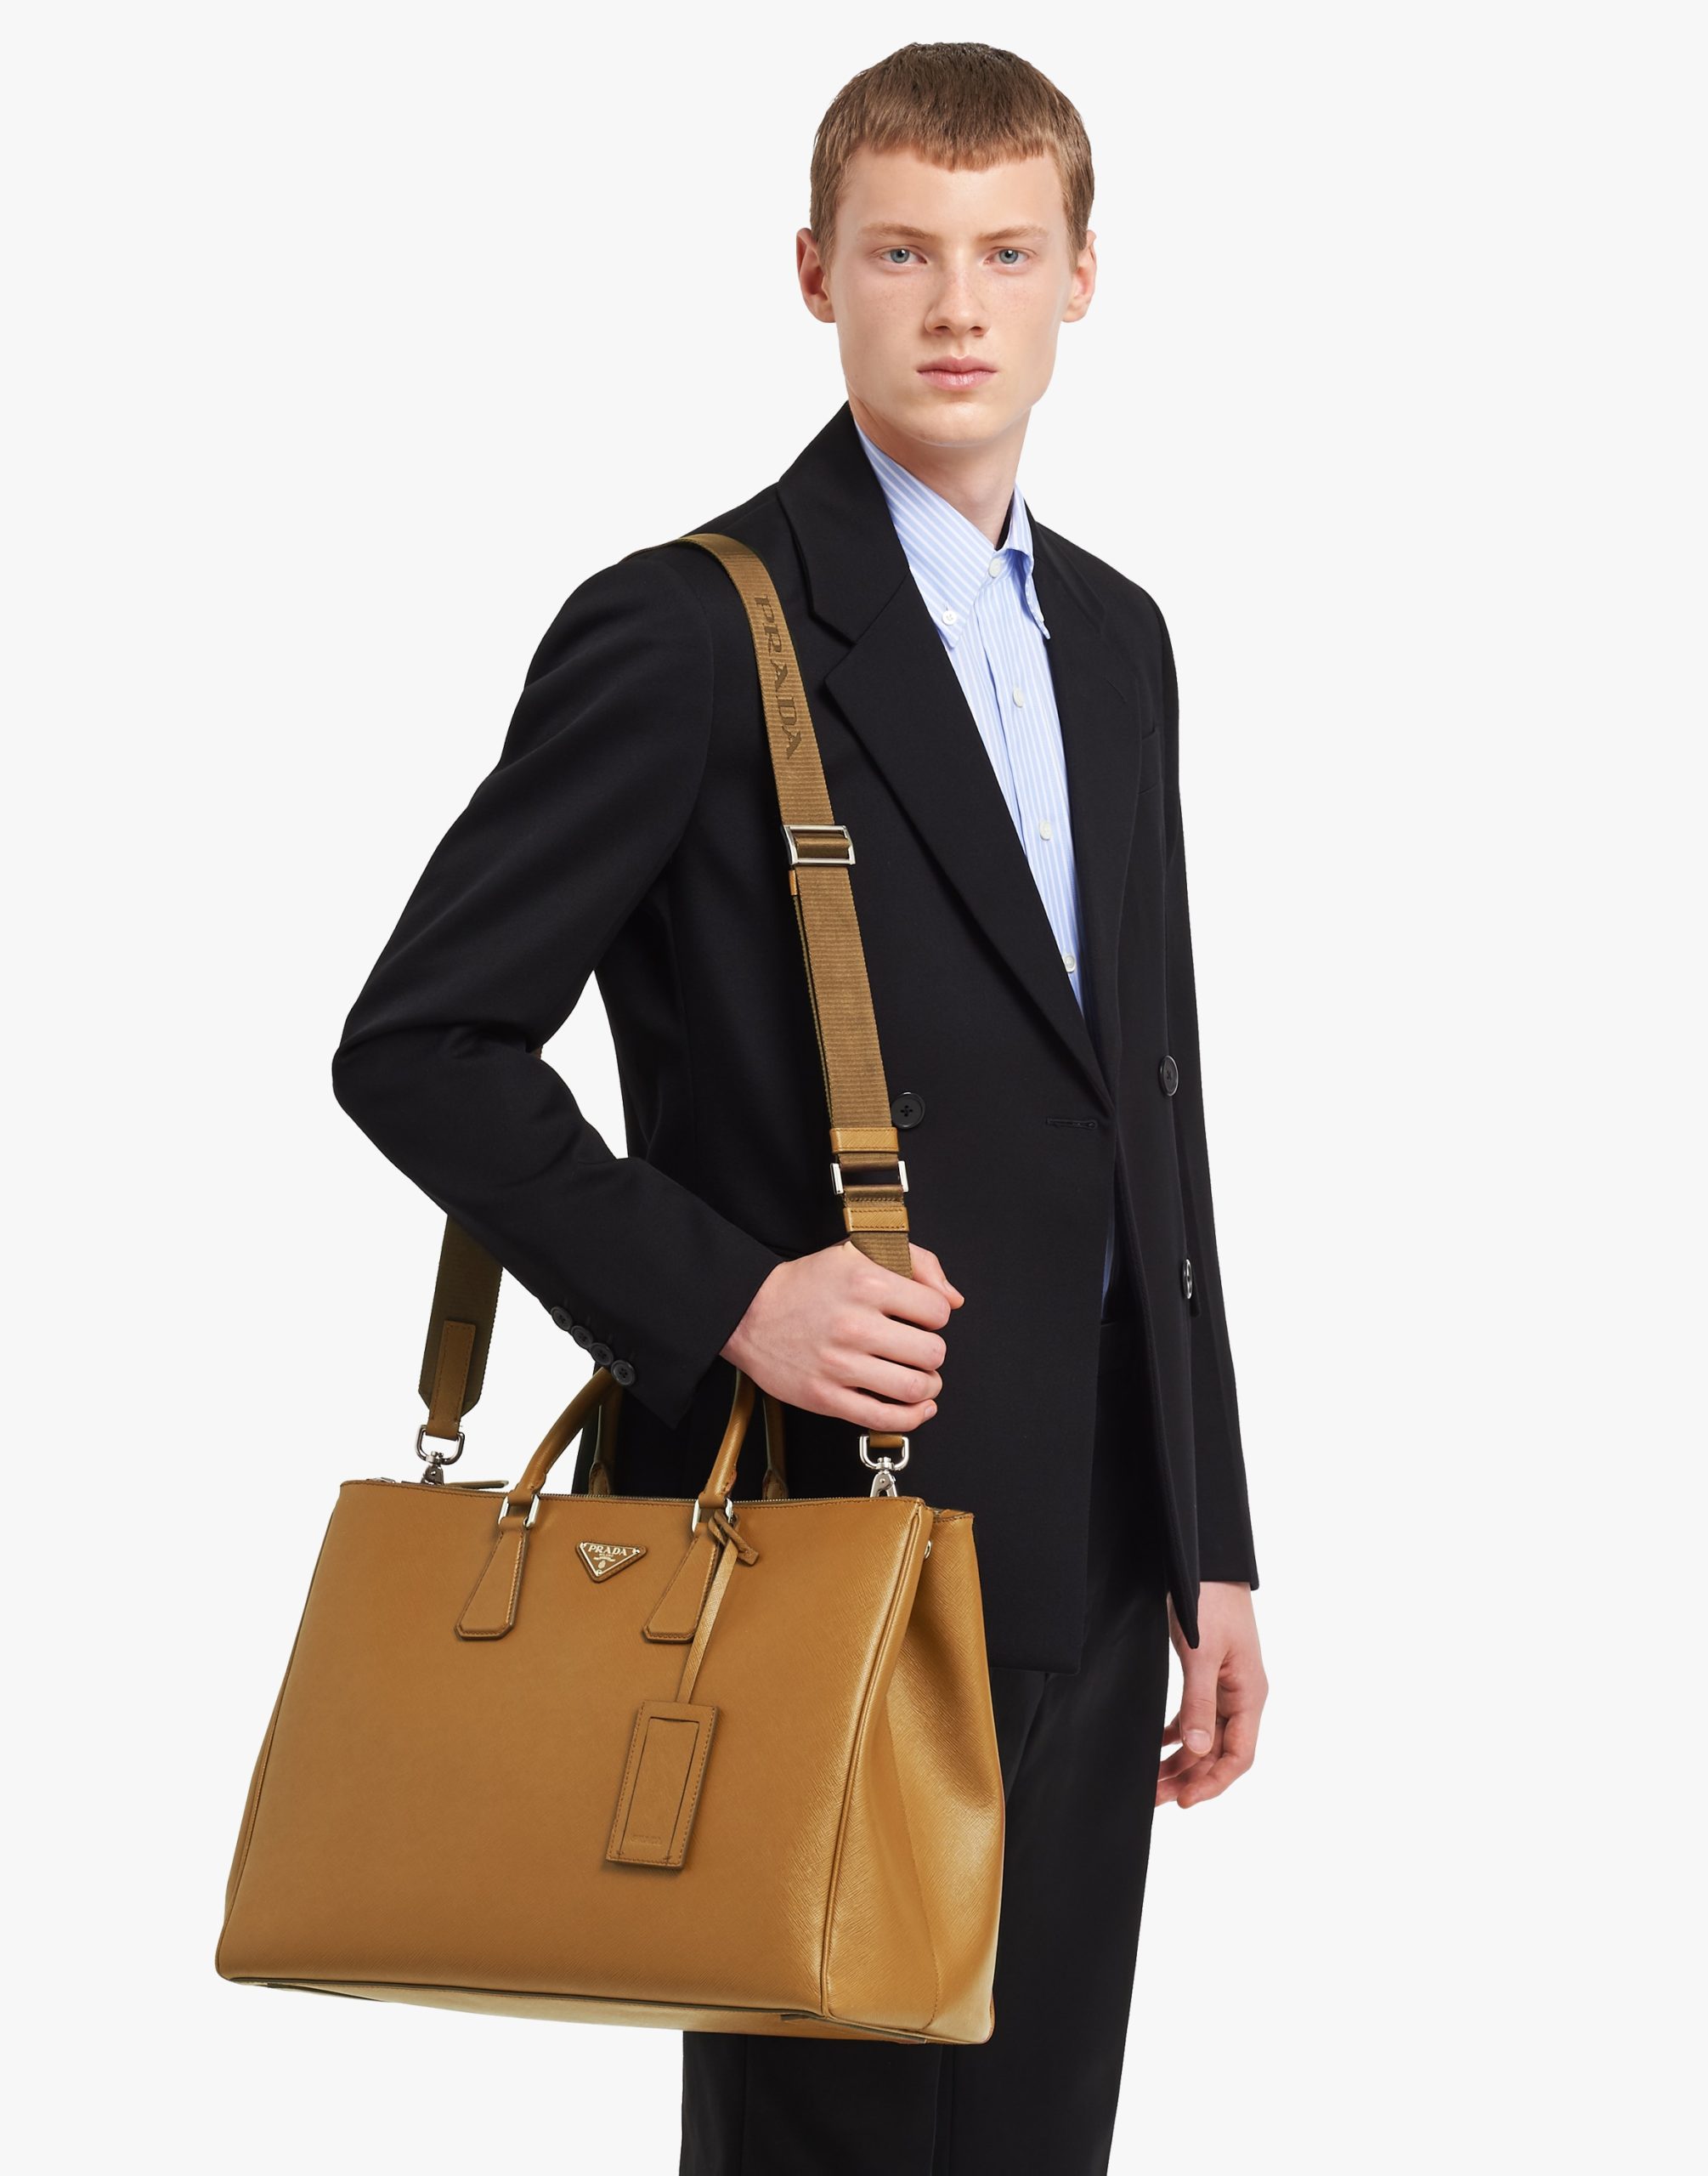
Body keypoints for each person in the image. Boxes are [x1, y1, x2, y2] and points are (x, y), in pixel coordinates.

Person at [331, 39, 1267, 2175]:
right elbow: (420, 1041)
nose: (956, 306)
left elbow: (1154, 1112)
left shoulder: (1119, 638)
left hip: (1090, 1531)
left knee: (1033, 2144)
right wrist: (731, 1294)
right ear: (814, 273)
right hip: (816, 1521)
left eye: (1005, 253)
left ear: (1082, 278)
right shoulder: (683, 626)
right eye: (904, 252)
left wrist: (1208, 1532)